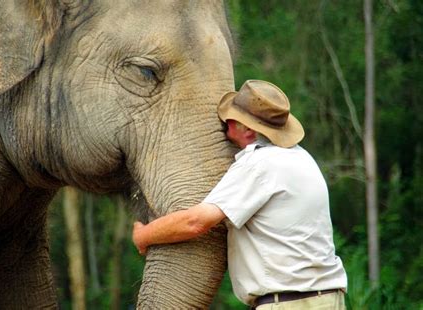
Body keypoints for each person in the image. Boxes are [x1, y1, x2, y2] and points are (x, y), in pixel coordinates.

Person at [132, 80, 347, 309]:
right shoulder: (302, 157)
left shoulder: (259, 163)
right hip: (327, 299)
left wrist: (144, 235)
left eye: (231, 119)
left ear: (248, 130)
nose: (225, 122)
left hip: (288, 303)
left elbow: (196, 222)